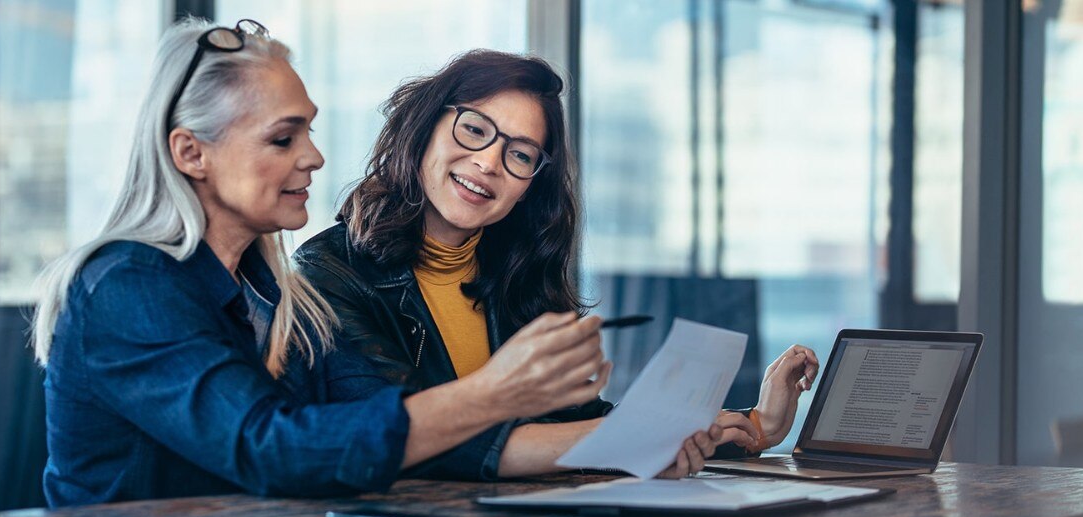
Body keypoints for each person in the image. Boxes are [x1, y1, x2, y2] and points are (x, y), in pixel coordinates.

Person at [32, 19, 729, 508]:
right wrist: (496, 392)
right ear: (191, 153)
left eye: (308, 129)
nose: (314, 156)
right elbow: (272, 450)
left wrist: (648, 437)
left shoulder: (276, 296)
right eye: (284, 136)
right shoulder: (126, 286)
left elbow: (381, 430)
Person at [292, 49, 820, 471]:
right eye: (474, 129)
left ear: (530, 184)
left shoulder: (517, 275)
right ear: (424, 127)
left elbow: (576, 424)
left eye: (519, 154)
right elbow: (409, 438)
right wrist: (630, 439)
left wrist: (754, 425)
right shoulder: (327, 273)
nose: (488, 163)